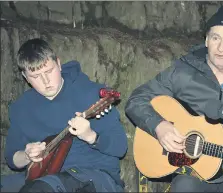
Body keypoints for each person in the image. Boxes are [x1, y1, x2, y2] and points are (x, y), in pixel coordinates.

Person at [125, 2, 223, 192]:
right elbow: (137, 100)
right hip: (194, 170)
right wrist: (158, 126)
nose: (220, 47)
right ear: (206, 40)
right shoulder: (183, 72)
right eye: (215, 38)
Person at [1, 38, 128, 192]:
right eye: (35, 76)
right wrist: (27, 156)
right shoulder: (22, 107)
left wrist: (91, 136)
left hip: (92, 176)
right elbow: (12, 157)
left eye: (49, 71)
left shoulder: (91, 95)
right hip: (43, 175)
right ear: (25, 77)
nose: (46, 80)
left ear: (59, 64)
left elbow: (121, 147)